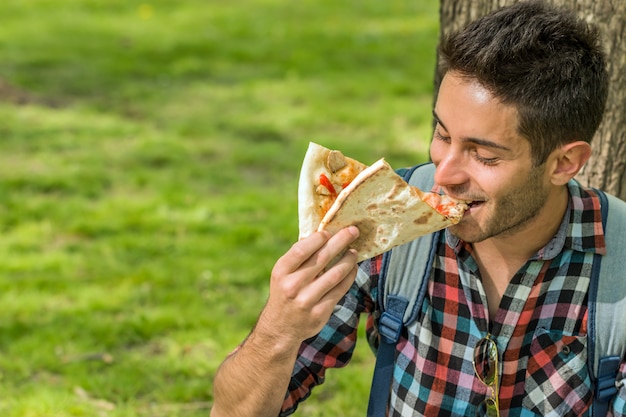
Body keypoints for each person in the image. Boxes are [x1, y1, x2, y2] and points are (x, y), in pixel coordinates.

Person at [211, 1, 625, 416]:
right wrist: (277, 330)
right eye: (442, 135)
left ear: (564, 163)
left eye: (484, 155)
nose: (444, 174)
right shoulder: (388, 221)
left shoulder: (619, 266)